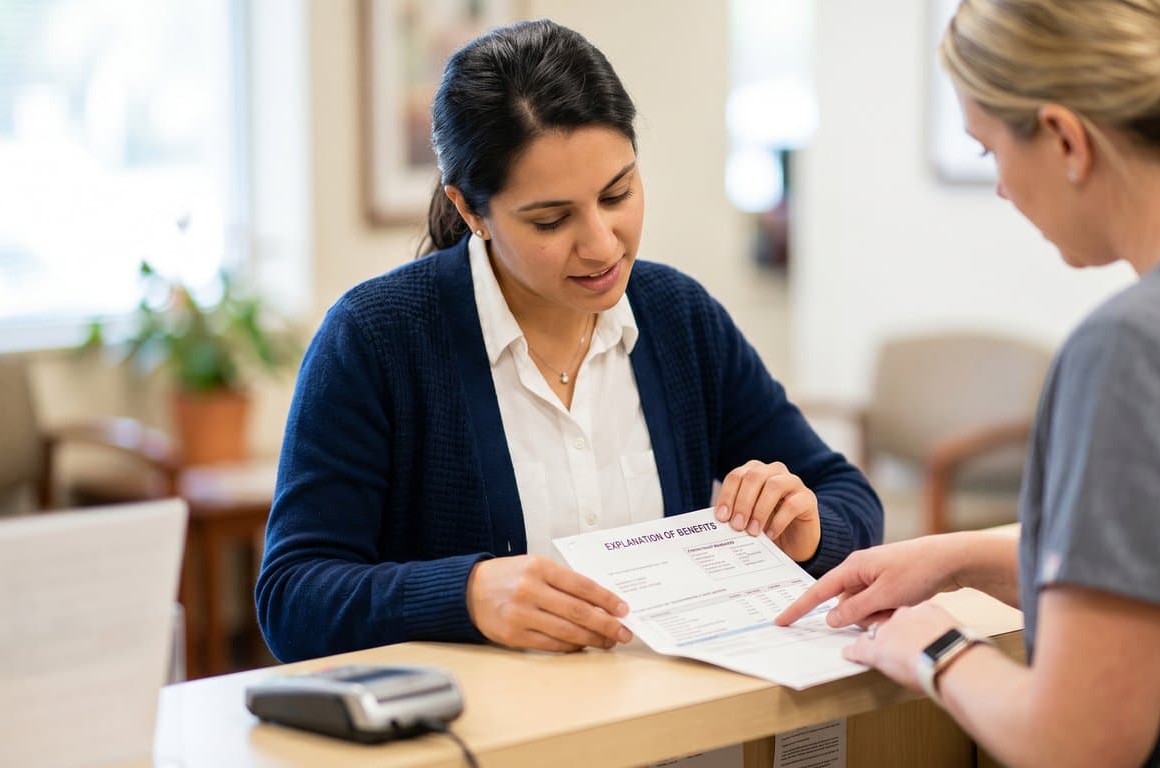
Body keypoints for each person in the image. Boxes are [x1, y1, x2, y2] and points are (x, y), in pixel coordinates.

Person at [778, 1, 1160, 766]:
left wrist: (935, 647)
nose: (1002, 192)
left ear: (1063, 138)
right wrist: (960, 558)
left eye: (989, 152)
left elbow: (1077, 742)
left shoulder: (1140, 351)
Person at [256, 19, 882, 663]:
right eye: (551, 220)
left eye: (618, 194)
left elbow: (850, 500)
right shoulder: (375, 338)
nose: (603, 245)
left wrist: (808, 532)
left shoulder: (678, 318)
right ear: (472, 211)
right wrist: (468, 594)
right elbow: (292, 597)